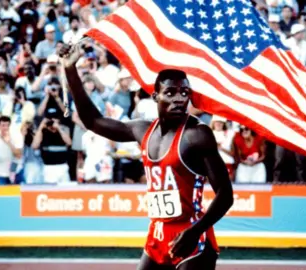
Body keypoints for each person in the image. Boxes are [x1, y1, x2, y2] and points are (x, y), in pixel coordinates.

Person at [61, 45, 234, 269]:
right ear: (155, 96)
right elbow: (93, 122)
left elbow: (226, 194)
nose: (179, 99)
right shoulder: (143, 131)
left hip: (192, 238)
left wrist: (195, 231)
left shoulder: (197, 135)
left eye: (184, 93)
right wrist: (70, 70)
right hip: (157, 235)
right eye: (170, 93)